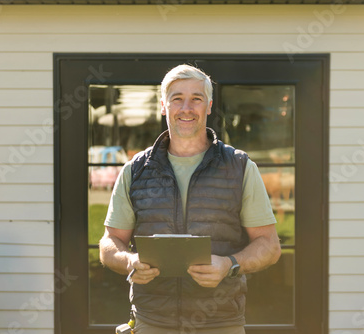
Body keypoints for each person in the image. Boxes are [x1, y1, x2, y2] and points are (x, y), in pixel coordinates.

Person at [99, 64, 281, 334]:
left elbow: (269, 245)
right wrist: (129, 261)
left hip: (221, 323)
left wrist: (229, 264)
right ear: (163, 106)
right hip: (152, 322)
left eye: (196, 99)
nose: (186, 108)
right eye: (177, 99)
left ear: (208, 106)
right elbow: (109, 243)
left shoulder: (240, 166)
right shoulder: (135, 170)